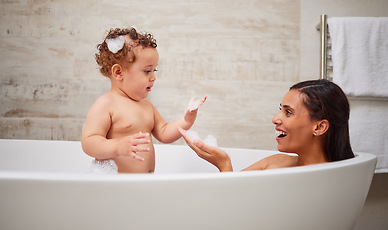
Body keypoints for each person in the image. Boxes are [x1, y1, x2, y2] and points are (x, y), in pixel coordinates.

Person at [81, 27, 206, 173]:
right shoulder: (106, 104)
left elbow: (164, 133)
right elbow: (89, 142)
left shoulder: (147, 107)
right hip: (114, 185)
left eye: (155, 70)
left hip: (143, 185)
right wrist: (117, 146)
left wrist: (187, 120)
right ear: (119, 72)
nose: (153, 77)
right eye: (147, 71)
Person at [179, 79, 354, 172]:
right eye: (280, 110)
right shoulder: (274, 163)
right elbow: (221, 205)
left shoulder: (326, 181)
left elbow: (236, 216)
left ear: (319, 127)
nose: (275, 119)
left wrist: (224, 164)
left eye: (288, 112)